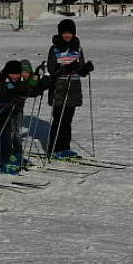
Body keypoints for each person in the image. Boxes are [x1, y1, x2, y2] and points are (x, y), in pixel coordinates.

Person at [0, 59, 50, 173]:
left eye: (28, 72)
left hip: (17, 109)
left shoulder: (25, 80)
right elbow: (26, 88)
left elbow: (34, 87)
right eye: (23, 72)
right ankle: (8, 158)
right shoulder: (14, 81)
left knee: (16, 131)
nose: (25, 74)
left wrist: (44, 78)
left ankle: (17, 155)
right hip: (4, 109)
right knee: (9, 132)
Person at [47, 19, 94, 159]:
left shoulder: (77, 48)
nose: (67, 36)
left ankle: (65, 148)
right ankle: (54, 149)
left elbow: (80, 68)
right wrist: (67, 68)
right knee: (58, 120)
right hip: (59, 88)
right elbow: (52, 69)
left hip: (73, 88)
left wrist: (85, 69)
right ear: (60, 33)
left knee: (67, 121)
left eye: (70, 33)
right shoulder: (54, 48)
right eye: (65, 33)